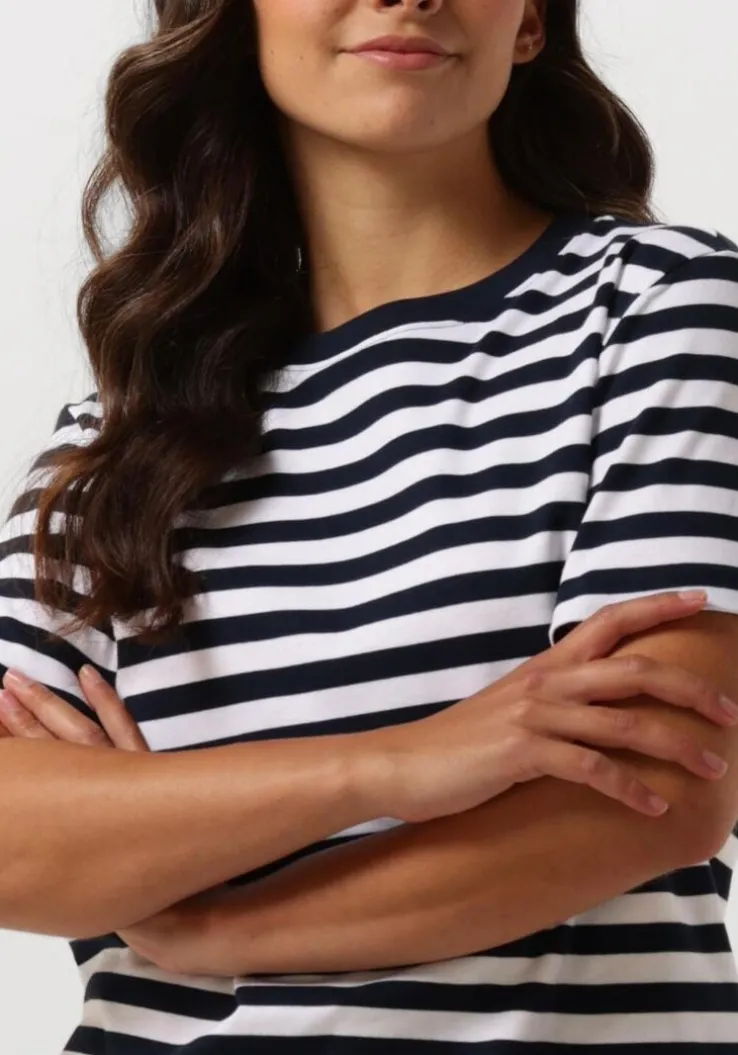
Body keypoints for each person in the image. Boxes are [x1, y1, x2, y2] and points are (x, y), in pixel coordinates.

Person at [0, 0, 737, 1051]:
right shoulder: (118, 441)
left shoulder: (657, 312)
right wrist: (398, 763)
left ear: (530, 20)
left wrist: (209, 923)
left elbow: (656, 787)